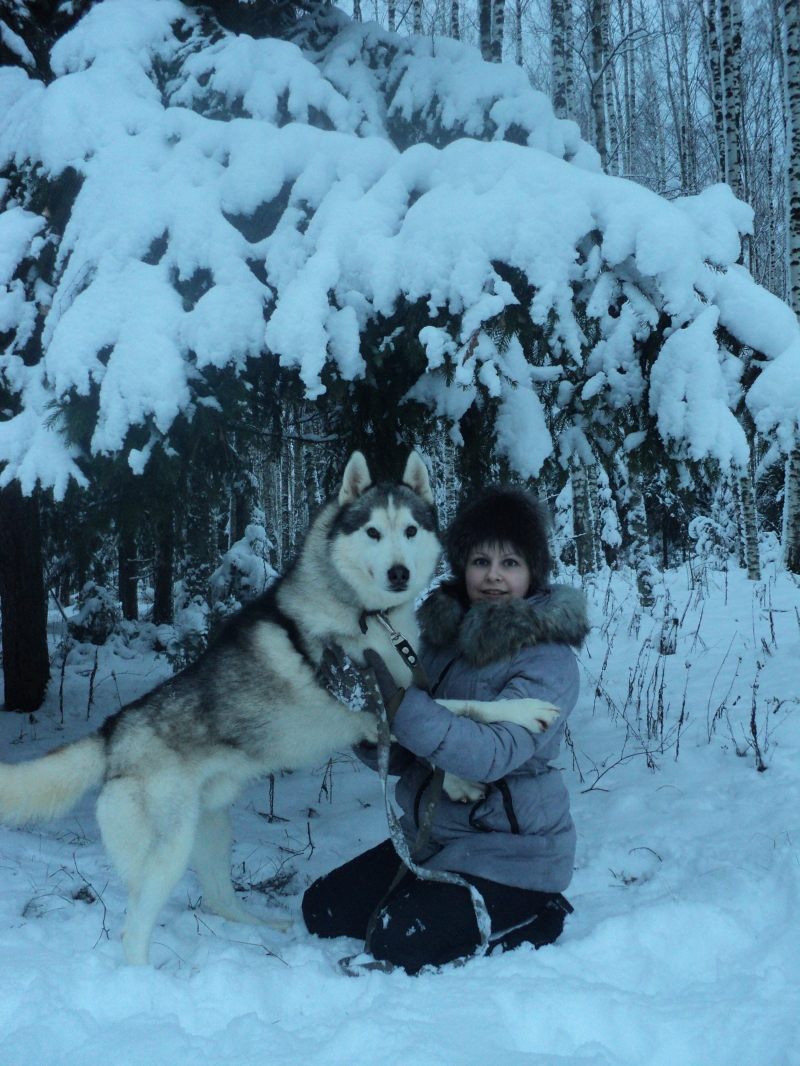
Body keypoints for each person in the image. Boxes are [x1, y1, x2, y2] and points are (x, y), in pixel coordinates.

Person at [302, 485, 589, 974]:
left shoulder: (548, 659)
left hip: (513, 857)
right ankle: (433, 893)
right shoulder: (436, 639)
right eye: (480, 561)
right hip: (433, 841)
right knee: (322, 911)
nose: (493, 576)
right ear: (462, 566)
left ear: (533, 571)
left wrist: (399, 702)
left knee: (397, 941)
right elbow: (401, 753)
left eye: (511, 563)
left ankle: (540, 912)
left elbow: (489, 755)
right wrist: (366, 720)